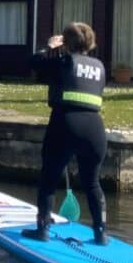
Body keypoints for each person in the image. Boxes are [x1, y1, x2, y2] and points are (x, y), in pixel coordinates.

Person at [24, 22, 108, 245]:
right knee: (92, 183)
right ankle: (101, 234)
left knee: (49, 179)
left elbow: (33, 63)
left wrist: (49, 47)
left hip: (65, 123)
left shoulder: (63, 61)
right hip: (95, 129)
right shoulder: (99, 66)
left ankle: (42, 230)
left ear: (66, 42)